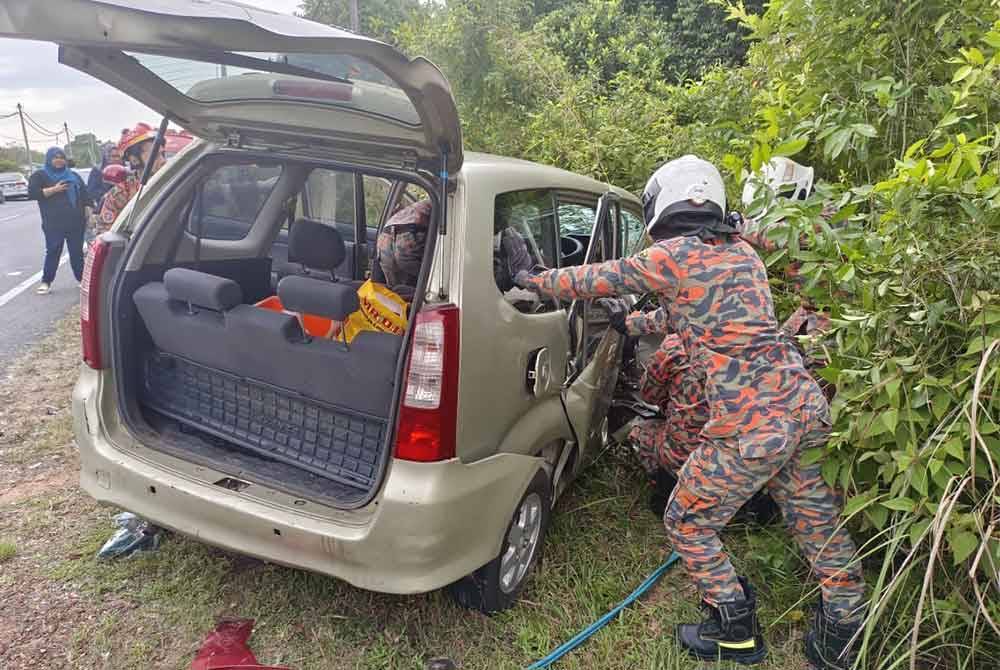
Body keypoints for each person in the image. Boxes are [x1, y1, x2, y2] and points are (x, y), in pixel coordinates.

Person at [516, 155, 865, 669]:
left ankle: (735, 628)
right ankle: (846, 634)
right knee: (816, 522)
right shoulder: (740, 253)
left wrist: (534, 279)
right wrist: (629, 326)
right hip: (803, 407)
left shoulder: (675, 255)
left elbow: (600, 277)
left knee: (687, 522)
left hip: (749, 426)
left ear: (667, 201)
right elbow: (691, 314)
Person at [28, 147, 93, 295]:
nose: (59, 160)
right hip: (53, 223)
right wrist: (54, 190)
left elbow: (85, 196)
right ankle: (46, 281)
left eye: (61, 157)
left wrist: (89, 214)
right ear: (49, 159)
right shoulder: (40, 175)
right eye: (55, 157)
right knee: (53, 250)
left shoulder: (73, 175)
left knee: (76, 252)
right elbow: (32, 193)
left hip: (76, 222)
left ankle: (82, 280)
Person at [99, 123, 162, 229]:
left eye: (163, 154)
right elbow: (105, 231)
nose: (163, 161)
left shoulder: (173, 181)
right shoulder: (122, 193)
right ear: (134, 159)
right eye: (155, 156)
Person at [376, 198, 432, 300]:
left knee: (394, 293)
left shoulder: (421, 203)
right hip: (409, 234)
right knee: (429, 287)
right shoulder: (447, 199)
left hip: (385, 237)